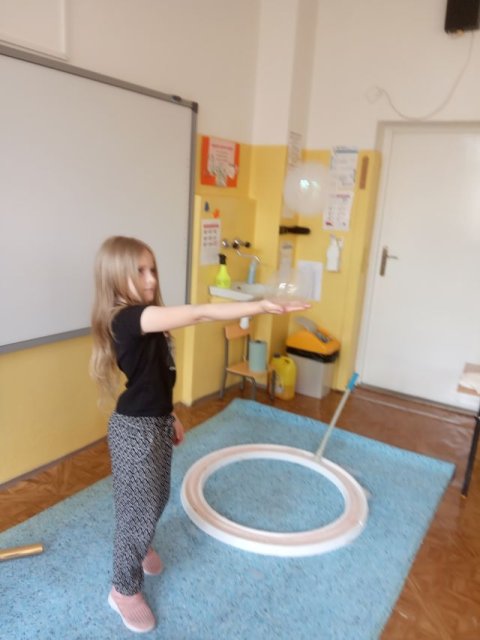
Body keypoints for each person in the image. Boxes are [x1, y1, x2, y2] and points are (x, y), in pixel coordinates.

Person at [90, 235, 310, 633]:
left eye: (153, 269)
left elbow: (154, 379)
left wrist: (169, 415)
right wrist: (260, 305)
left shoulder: (147, 321)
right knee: (136, 512)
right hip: (134, 430)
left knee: (156, 498)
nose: (151, 279)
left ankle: (140, 545)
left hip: (153, 421)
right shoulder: (126, 318)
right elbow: (199, 313)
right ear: (115, 276)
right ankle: (123, 589)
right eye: (140, 271)